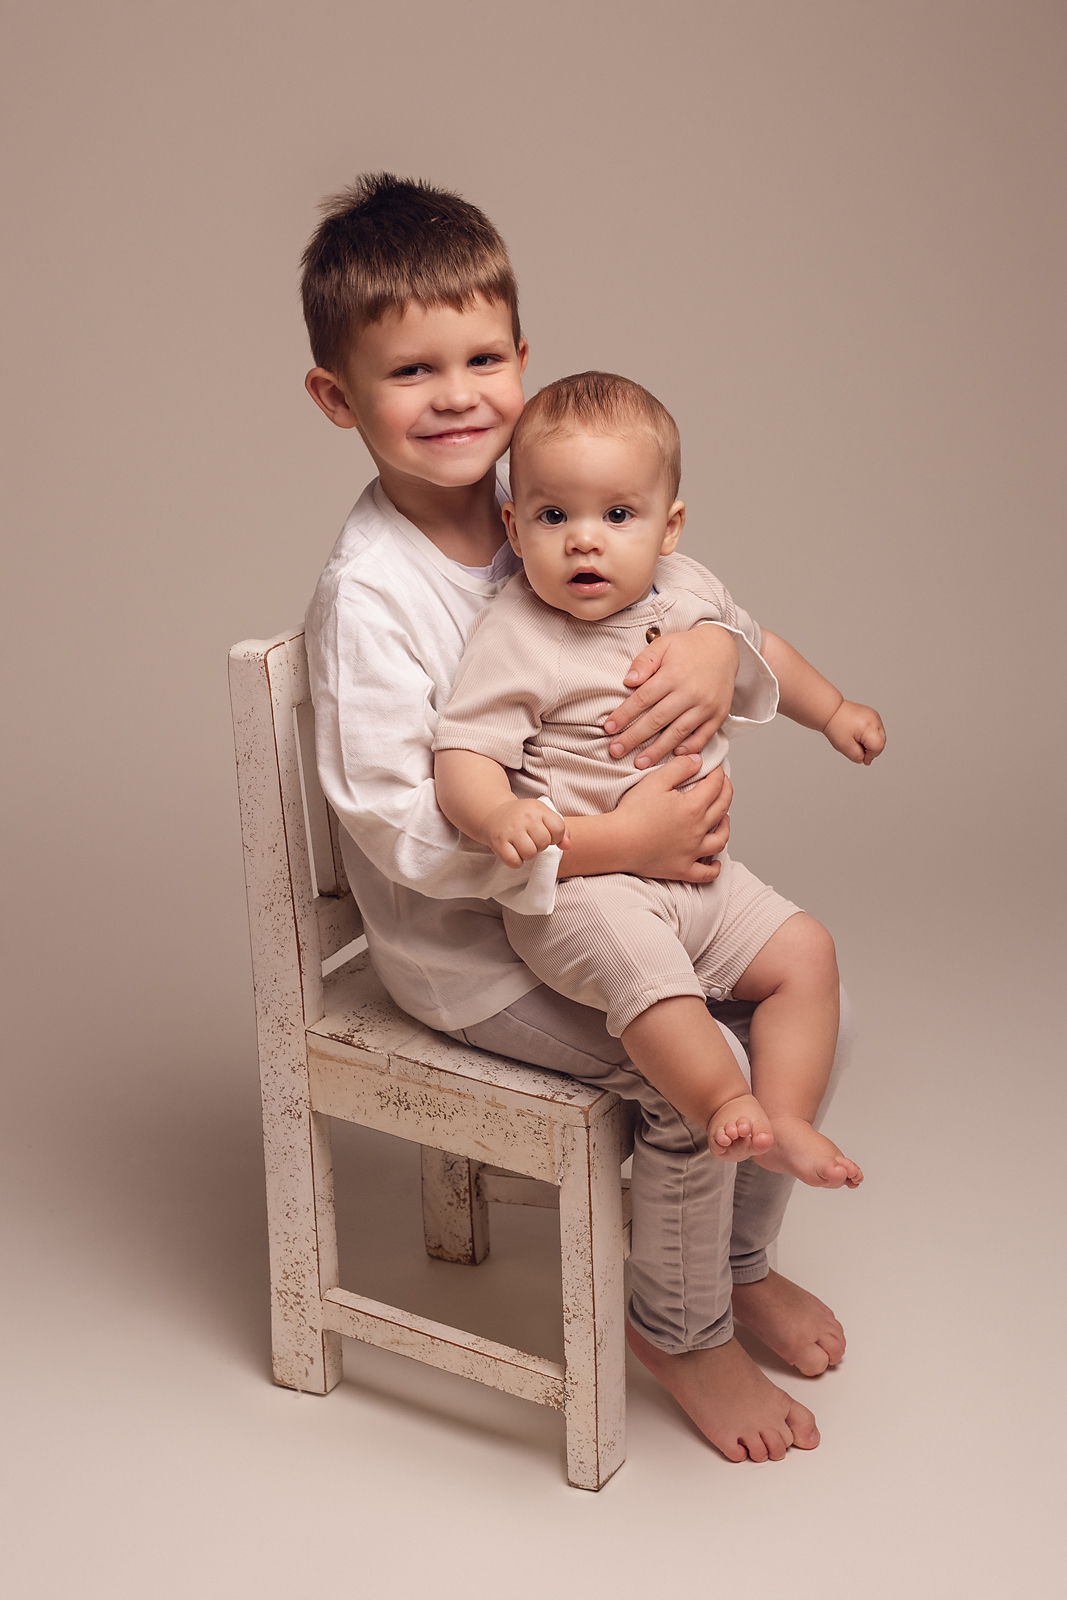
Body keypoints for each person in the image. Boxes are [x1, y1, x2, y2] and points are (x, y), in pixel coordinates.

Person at [303, 172, 865, 1464]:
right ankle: (683, 1328)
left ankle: (735, 1258)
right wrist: (620, 845)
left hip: (619, 902)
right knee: (680, 1082)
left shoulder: (544, 498)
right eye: (410, 372)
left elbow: (674, 588)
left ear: (521, 360)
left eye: (482, 356)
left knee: (779, 997)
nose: (456, 394)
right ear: (339, 398)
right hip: (463, 954)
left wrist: (725, 657)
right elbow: (403, 830)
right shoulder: (374, 598)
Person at [434, 370, 884, 1199]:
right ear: (513, 523)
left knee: (804, 952)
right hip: (586, 892)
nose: (583, 540)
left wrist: (831, 712)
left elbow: (765, 651)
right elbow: (461, 751)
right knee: (651, 979)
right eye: (551, 515)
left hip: (695, 877)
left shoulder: (691, 593)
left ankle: (783, 1120)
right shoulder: (516, 632)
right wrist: (497, 808)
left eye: (616, 515)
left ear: (668, 527)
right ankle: (722, 1099)